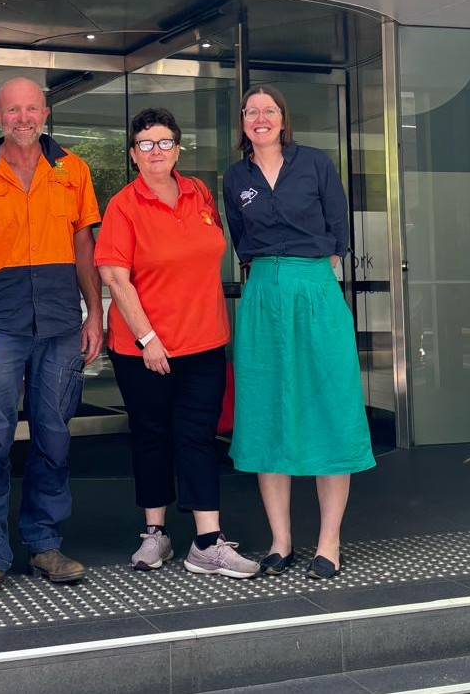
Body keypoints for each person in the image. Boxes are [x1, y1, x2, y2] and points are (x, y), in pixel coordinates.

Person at [0, 77, 103, 601]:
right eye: (12, 110)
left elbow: (83, 244)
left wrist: (94, 313)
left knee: (53, 435)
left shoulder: (73, 169)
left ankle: (44, 543)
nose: (22, 118)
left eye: (31, 109)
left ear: (45, 113)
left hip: (60, 323)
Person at [96, 108, 258, 578]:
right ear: (133, 154)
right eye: (145, 144)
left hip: (203, 341)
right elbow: (116, 280)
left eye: (164, 142)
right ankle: (155, 535)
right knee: (151, 435)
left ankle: (207, 541)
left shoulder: (200, 194)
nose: (156, 152)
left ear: (178, 148)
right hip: (143, 347)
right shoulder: (124, 205)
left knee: (198, 437)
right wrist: (149, 339)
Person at [222, 84, 374, 580]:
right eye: (252, 112)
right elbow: (240, 240)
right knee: (267, 409)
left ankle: (330, 541)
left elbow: (338, 230)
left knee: (331, 405)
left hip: (314, 289)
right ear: (243, 122)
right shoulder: (235, 177)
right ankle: (281, 541)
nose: (260, 118)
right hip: (264, 291)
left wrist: (313, 275)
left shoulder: (315, 163)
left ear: (283, 119)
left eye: (269, 110)